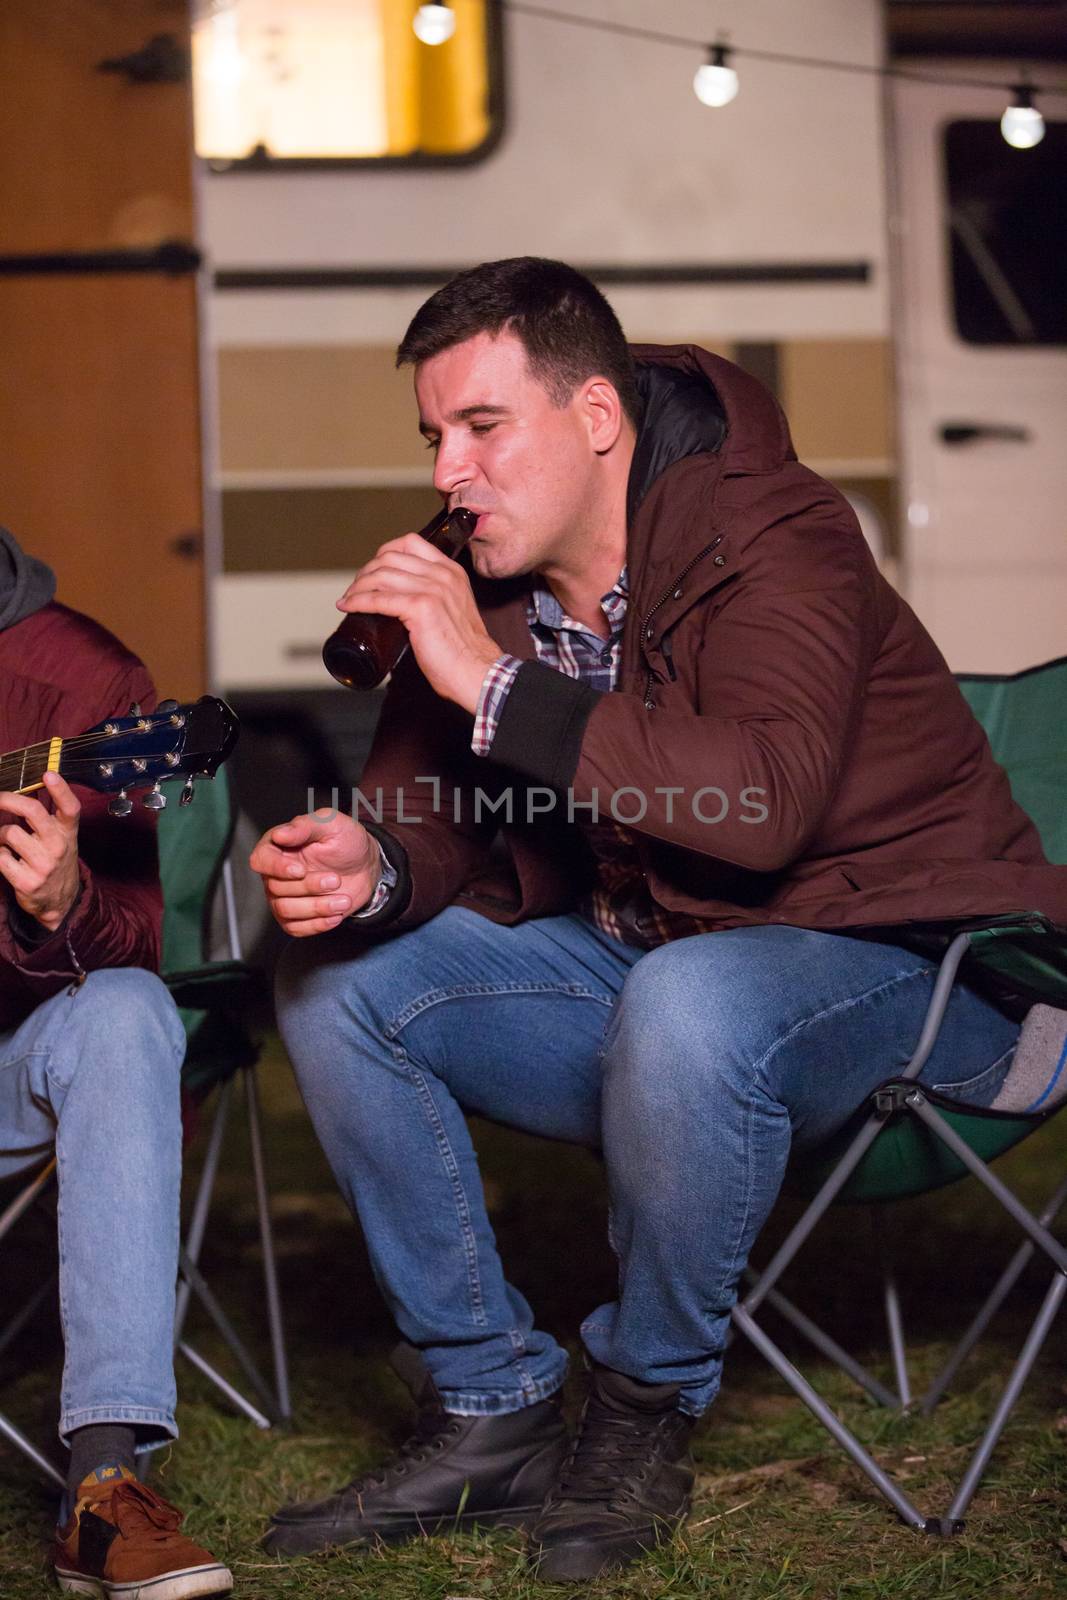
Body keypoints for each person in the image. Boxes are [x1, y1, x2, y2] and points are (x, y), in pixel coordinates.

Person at [251, 257, 1066, 1582]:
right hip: (659, 975)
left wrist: (491, 683)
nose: (447, 473)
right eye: (431, 438)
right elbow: (431, 815)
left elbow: (755, 808)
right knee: (336, 978)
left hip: (914, 966)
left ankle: (638, 1411)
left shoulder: (774, 527)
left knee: (691, 1004)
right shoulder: (490, 582)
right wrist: (372, 865)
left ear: (593, 419)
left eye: (480, 428)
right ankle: (488, 1403)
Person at [0, 528, 232, 1598]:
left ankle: (104, 1480)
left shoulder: (82, 684)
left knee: (128, 1011)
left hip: (14, 1055)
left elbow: (142, 938)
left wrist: (60, 904)